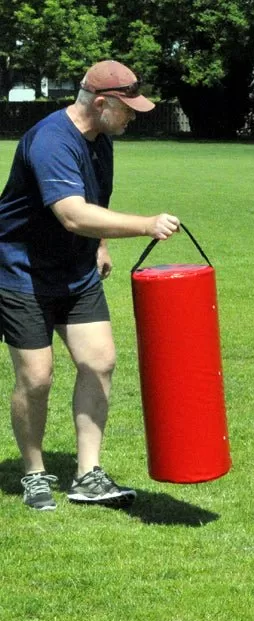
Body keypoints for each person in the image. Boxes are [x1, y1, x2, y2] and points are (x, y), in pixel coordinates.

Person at [0, 60, 180, 511]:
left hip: (75, 272)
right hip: (22, 272)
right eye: (128, 109)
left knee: (99, 361)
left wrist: (99, 244)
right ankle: (35, 473)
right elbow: (72, 213)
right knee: (36, 378)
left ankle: (88, 475)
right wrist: (145, 225)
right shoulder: (51, 142)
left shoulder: (101, 139)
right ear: (102, 103)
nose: (133, 117)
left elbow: (95, 201)